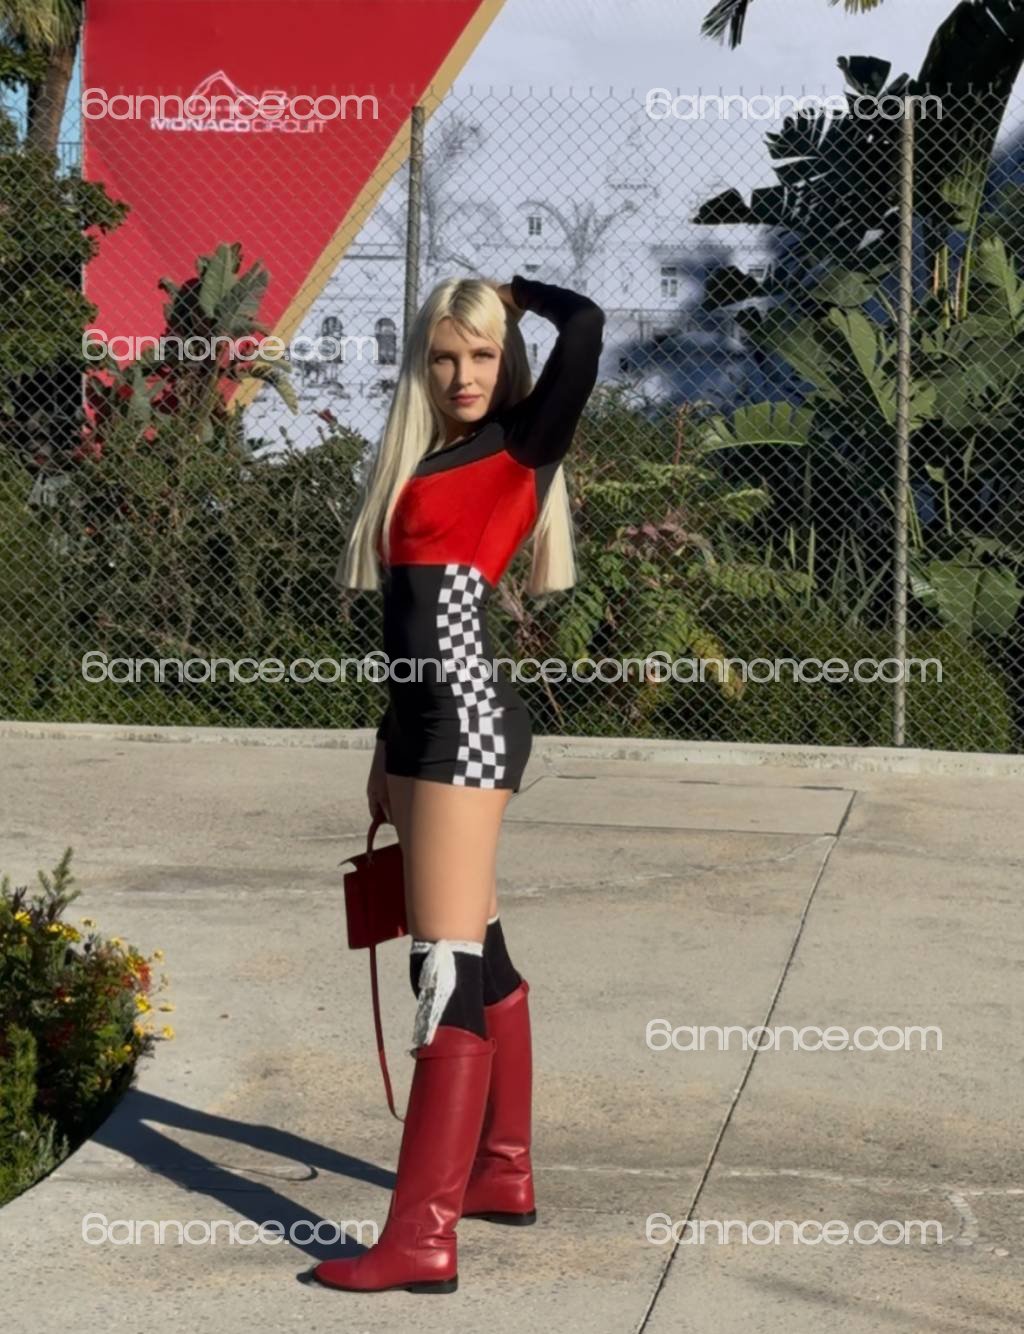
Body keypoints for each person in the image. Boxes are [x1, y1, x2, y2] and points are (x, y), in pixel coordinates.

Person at [315, 272, 605, 1293]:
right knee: (479, 952)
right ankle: (500, 1171)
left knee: (438, 967)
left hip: (465, 731)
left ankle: (420, 1235)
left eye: (481, 354)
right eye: (444, 356)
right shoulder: (428, 459)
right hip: (426, 732)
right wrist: (384, 745)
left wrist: (514, 293)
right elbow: (406, 635)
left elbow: (587, 328)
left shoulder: (522, 443)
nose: (463, 374)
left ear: (507, 356)